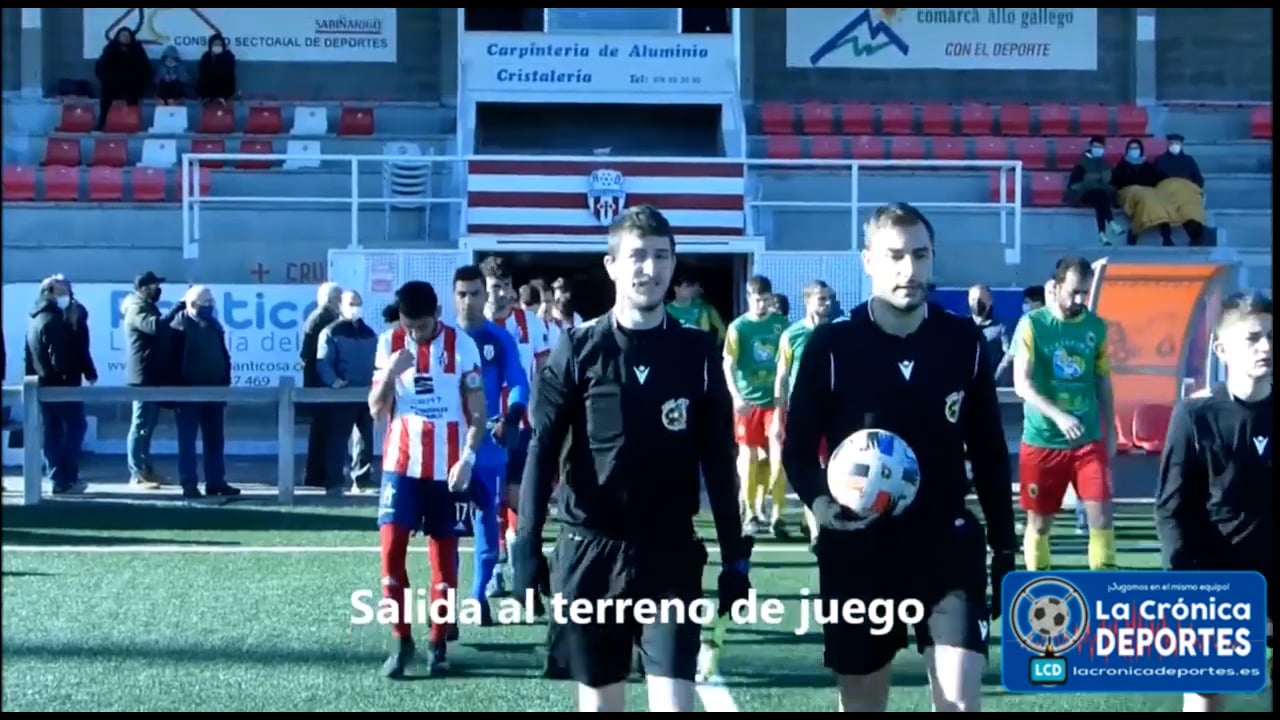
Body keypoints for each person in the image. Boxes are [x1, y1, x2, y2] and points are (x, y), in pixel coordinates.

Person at [511, 204, 752, 712]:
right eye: (637, 256)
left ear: (673, 263)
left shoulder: (698, 351)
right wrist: (528, 546)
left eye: (661, 256)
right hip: (589, 550)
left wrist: (734, 555)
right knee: (601, 704)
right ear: (612, 265)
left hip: (668, 552)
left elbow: (718, 460)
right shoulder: (577, 349)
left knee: (674, 701)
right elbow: (542, 449)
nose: (650, 268)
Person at [782, 202, 1016, 712]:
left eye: (920, 255)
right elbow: (797, 451)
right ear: (868, 261)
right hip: (860, 551)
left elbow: (990, 451)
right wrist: (824, 510)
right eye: (894, 257)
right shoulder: (832, 344)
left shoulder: (963, 341)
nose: (908, 270)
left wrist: (1003, 547)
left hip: (947, 545)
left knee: (959, 705)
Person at [1155, 291, 1272, 712]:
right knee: (1205, 700)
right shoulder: (1196, 415)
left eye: (1272, 336)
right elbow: (1172, 509)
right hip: (1217, 581)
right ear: (1222, 349)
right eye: (1254, 338)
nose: (1267, 347)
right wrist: (1186, 587)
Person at [370, 279, 487, 678]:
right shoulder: (390, 344)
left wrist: (468, 458)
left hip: (447, 470)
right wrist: (390, 373)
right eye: (408, 326)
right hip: (400, 467)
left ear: (437, 314)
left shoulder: (463, 347)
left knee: (444, 561)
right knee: (390, 554)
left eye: (421, 326)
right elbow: (375, 409)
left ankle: (438, 640)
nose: (414, 334)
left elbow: (478, 413)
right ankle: (400, 640)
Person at [1012, 257, 1117, 572]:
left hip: (1087, 441)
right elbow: (1022, 384)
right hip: (1043, 441)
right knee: (1040, 524)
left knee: (1101, 514)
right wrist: (1059, 416)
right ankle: (1037, 583)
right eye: (1073, 292)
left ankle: (1105, 588)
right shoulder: (1032, 325)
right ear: (1055, 287)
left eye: (1084, 293)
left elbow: (1103, 382)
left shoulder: (1095, 327)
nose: (1079, 300)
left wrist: (1110, 430)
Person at [448, 265, 530, 624]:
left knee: (487, 521)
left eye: (475, 293)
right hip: (446, 446)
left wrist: (512, 415)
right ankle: (444, 603)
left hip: (489, 445)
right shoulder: (441, 339)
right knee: (444, 526)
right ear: (454, 297)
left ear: (486, 296)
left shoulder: (499, 339)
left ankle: (478, 596)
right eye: (462, 294)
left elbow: (518, 381)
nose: (468, 301)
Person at [478, 256, 551, 594]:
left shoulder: (531, 324)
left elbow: (545, 371)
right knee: (489, 501)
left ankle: (521, 567)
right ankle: (494, 570)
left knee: (519, 498)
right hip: (485, 428)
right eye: (495, 287)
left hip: (522, 425)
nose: (501, 293)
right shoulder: (473, 327)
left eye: (506, 286)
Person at [770, 279, 835, 548]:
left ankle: (820, 524)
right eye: (821, 299)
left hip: (831, 410)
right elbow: (782, 376)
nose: (827, 303)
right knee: (804, 468)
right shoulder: (792, 334)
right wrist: (777, 415)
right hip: (801, 411)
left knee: (829, 470)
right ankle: (816, 531)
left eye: (830, 298)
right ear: (807, 301)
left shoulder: (836, 334)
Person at [723, 275, 789, 535]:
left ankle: (777, 515)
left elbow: (788, 362)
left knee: (778, 457)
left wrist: (786, 397)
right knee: (749, 458)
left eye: (765, 300)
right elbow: (727, 364)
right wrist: (736, 396)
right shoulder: (738, 328)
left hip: (775, 401)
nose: (761, 304)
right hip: (748, 402)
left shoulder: (781, 325)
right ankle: (750, 511)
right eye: (756, 299)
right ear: (749, 298)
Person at [24, 277, 93, 495]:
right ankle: (65, 474)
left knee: (52, 431)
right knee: (76, 426)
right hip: (61, 385)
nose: (68, 295)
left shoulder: (36, 317)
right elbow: (59, 358)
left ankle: (58, 478)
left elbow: (28, 355)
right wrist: (67, 375)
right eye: (63, 291)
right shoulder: (52, 320)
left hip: (42, 384)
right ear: (50, 292)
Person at [169, 285, 240, 500]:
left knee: (215, 440)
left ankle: (216, 481)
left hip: (215, 392)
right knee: (188, 441)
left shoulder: (213, 324)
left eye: (211, 302)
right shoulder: (179, 326)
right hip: (188, 393)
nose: (209, 306)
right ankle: (189, 483)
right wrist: (177, 389)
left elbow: (223, 355)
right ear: (192, 304)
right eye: (205, 302)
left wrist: (225, 383)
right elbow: (170, 361)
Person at [122, 271, 184, 489]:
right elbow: (155, 326)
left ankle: (146, 470)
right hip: (142, 378)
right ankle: (137, 473)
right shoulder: (136, 308)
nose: (158, 289)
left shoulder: (147, 306)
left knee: (147, 426)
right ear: (144, 288)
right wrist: (178, 307)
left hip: (152, 375)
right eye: (155, 285)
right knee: (140, 425)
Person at [315, 290, 378, 496]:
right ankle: (334, 483)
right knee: (338, 440)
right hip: (342, 396)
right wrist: (333, 382)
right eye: (351, 303)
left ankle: (362, 481)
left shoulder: (369, 333)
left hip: (367, 395)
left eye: (358, 303)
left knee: (365, 440)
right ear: (341, 306)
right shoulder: (331, 332)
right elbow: (323, 362)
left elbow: (378, 361)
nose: (355, 307)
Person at [301, 282, 342, 488]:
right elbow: (311, 356)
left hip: (320, 385)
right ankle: (316, 476)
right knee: (321, 432)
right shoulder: (322, 320)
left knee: (324, 431)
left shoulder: (324, 318)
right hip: (320, 386)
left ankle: (320, 473)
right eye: (339, 298)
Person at [1064, 136, 1122, 246]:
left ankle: (1102, 233)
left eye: (1100, 146)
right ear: (1090, 147)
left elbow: (1111, 182)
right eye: (1095, 146)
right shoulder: (1082, 164)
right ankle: (1111, 223)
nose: (1097, 149)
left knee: (1100, 199)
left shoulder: (1106, 164)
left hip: (1101, 195)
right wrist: (1090, 184)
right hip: (1084, 193)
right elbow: (1074, 184)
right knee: (1099, 195)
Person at [93, 27, 151, 131]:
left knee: (133, 93)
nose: (125, 38)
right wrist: (111, 78)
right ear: (118, 37)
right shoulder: (110, 48)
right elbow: (101, 67)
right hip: (113, 83)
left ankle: (132, 121)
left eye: (127, 36)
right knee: (106, 91)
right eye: (122, 36)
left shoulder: (137, 49)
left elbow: (145, 68)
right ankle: (102, 121)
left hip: (131, 83)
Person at [968, 284, 1013, 386]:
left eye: (981, 299)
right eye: (973, 299)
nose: (977, 303)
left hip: (992, 386)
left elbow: (1008, 356)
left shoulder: (1001, 327)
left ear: (990, 301)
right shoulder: (962, 327)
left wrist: (996, 379)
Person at [666, 274, 726, 342]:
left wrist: (712, 347)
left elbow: (719, 330)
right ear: (676, 288)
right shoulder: (666, 310)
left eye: (692, 286)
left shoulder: (703, 308)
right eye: (687, 286)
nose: (690, 290)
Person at [196, 33, 237, 104]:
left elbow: (228, 71)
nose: (217, 46)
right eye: (215, 44)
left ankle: (222, 98)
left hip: (223, 83)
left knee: (225, 78)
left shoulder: (228, 56)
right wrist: (212, 59)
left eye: (219, 44)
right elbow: (203, 71)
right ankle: (206, 98)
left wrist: (220, 57)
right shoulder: (206, 56)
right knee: (205, 79)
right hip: (209, 83)